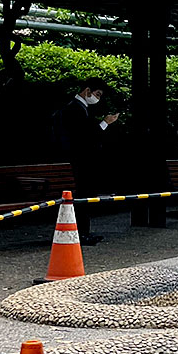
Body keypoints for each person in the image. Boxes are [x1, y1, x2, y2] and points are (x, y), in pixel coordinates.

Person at [53, 77, 119, 244]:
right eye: (96, 94)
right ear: (87, 91)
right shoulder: (75, 109)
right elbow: (86, 137)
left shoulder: (79, 108)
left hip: (81, 159)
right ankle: (82, 233)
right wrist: (105, 122)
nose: (97, 98)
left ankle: (83, 232)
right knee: (84, 196)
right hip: (80, 159)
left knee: (86, 195)